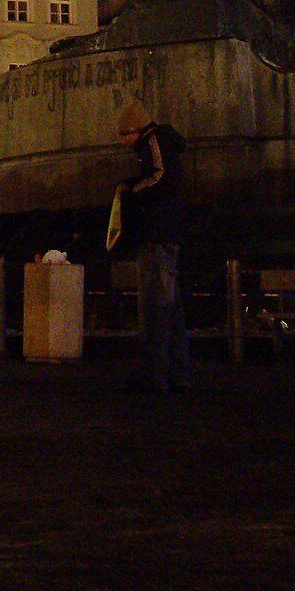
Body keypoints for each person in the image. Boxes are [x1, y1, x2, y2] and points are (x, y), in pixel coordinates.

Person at [114, 101, 191, 394]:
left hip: (158, 234)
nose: (123, 142)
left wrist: (132, 189)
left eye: (125, 135)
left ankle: (156, 374)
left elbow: (160, 177)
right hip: (164, 232)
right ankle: (176, 372)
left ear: (136, 130)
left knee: (157, 305)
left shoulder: (155, 142)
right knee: (169, 305)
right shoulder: (157, 143)